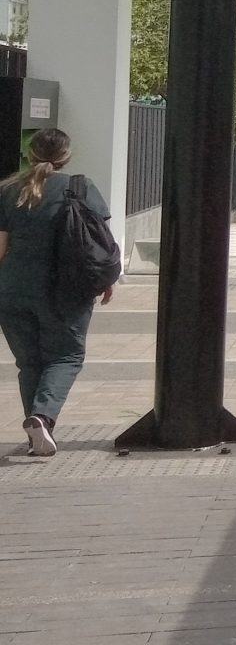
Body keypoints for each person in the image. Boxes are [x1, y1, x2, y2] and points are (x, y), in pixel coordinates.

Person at [0, 128, 113, 457]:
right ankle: (43, 417)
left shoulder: (8, 190)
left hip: (13, 288)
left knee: (29, 362)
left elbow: (1, 247)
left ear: (30, 153)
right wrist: (106, 280)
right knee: (66, 356)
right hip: (66, 290)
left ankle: (37, 433)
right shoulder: (80, 187)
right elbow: (98, 241)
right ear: (67, 156)